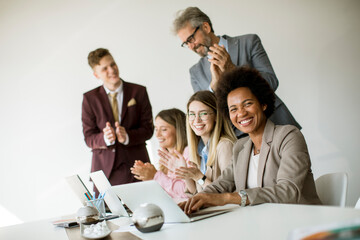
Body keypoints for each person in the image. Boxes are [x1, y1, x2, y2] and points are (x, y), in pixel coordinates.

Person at [180, 67, 321, 214]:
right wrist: (195, 200)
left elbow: (288, 191)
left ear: (263, 104)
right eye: (233, 109)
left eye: (247, 104)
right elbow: (221, 184)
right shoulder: (240, 147)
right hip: (262, 223)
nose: (241, 113)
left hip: (301, 221)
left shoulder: (289, 136)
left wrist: (228, 198)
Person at [172, 7, 301, 137]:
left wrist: (232, 69)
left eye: (191, 39)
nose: (191, 46)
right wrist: (213, 87)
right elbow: (204, 114)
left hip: (276, 124)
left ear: (205, 27)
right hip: (238, 139)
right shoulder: (195, 72)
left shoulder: (249, 42)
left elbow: (272, 82)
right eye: (185, 44)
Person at [82, 48, 154, 194]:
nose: (112, 70)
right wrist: (104, 138)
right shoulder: (89, 99)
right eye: (104, 69)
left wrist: (127, 136)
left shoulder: (138, 92)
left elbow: (148, 129)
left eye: (113, 64)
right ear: (96, 75)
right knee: (107, 215)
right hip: (104, 172)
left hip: (137, 168)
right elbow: (89, 137)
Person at [159, 91, 236, 195]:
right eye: (192, 114)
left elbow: (227, 194)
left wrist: (199, 177)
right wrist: (185, 174)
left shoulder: (225, 146)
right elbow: (196, 192)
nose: (197, 120)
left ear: (216, 116)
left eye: (203, 113)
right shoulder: (198, 149)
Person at [130, 108, 189, 202]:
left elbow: (186, 191)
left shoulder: (188, 152)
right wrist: (148, 177)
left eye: (164, 129)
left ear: (179, 130)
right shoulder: (165, 157)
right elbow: (168, 192)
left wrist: (155, 176)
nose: (157, 134)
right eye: (156, 129)